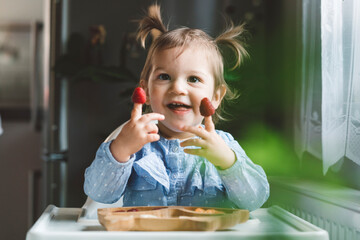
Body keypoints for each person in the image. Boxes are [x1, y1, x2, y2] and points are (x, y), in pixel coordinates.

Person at [84, 4, 269, 211]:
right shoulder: (135, 145)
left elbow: (256, 200)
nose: (178, 88)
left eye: (194, 79)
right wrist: (121, 150)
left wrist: (228, 162)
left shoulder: (224, 145)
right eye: (164, 77)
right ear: (145, 90)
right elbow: (98, 193)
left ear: (216, 96)